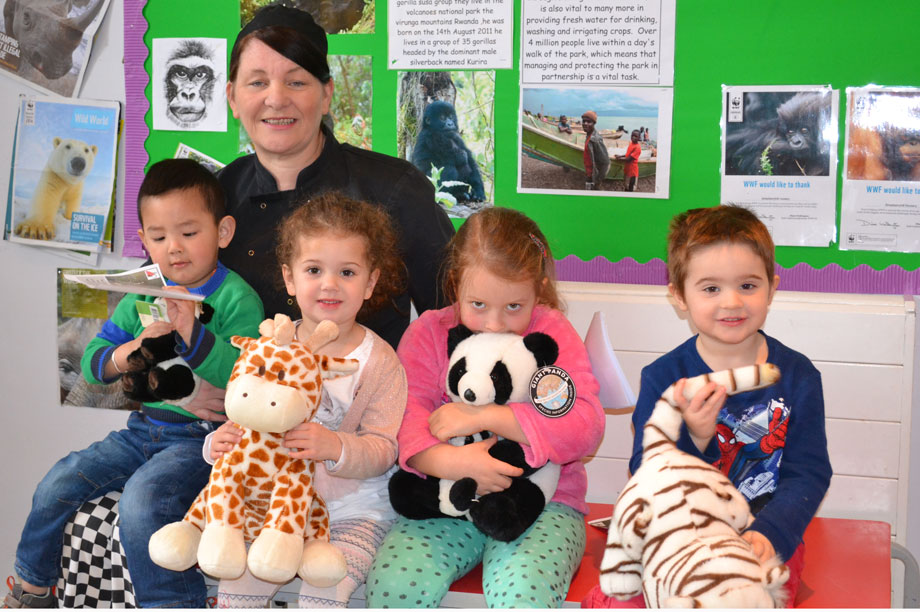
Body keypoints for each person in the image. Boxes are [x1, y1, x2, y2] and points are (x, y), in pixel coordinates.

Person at [4, 159, 265, 608]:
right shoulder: (144, 293)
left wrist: (193, 334)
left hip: (203, 442)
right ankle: (33, 586)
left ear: (222, 232)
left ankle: (170, 603)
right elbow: (91, 364)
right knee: (58, 481)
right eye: (159, 237)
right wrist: (129, 352)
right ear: (144, 241)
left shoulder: (239, 298)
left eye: (189, 232)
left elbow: (244, 377)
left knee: (142, 503)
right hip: (142, 432)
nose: (174, 248)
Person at [585, 205, 831, 608]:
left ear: (772, 287)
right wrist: (696, 440)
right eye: (711, 288)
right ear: (679, 296)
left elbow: (809, 473)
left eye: (748, 285)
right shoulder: (663, 378)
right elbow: (647, 474)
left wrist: (770, 533)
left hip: (767, 536)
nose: (731, 302)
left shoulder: (799, 376)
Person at [365, 207, 604, 608]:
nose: (494, 323)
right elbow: (406, 422)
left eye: (514, 307)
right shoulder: (427, 334)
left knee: (524, 591)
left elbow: (584, 426)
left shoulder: (551, 332)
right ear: (456, 284)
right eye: (478, 304)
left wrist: (489, 417)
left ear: (539, 290)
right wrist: (455, 464)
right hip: (444, 500)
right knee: (394, 585)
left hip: (544, 505)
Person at [205, 192, 408, 608]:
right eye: (314, 269)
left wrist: (336, 446)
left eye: (348, 272)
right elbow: (247, 418)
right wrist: (218, 444)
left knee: (324, 593)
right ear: (290, 278)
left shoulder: (381, 363)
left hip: (355, 515)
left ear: (370, 282)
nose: (330, 284)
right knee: (235, 593)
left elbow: (386, 449)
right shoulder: (267, 349)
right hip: (273, 513)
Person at [218, 4, 454, 352]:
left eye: (296, 81)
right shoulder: (212, 197)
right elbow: (160, 304)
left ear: (326, 94)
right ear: (233, 98)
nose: (276, 99)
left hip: (368, 403)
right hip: (238, 403)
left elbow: (457, 322)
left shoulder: (396, 191)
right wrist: (189, 391)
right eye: (257, 82)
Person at [582, 110, 610, 191]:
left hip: (593, 176)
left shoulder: (596, 139)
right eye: (584, 121)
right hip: (589, 173)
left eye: (589, 122)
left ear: (594, 123)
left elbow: (605, 162)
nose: (585, 124)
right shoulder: (589, 135)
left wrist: (597, 181)